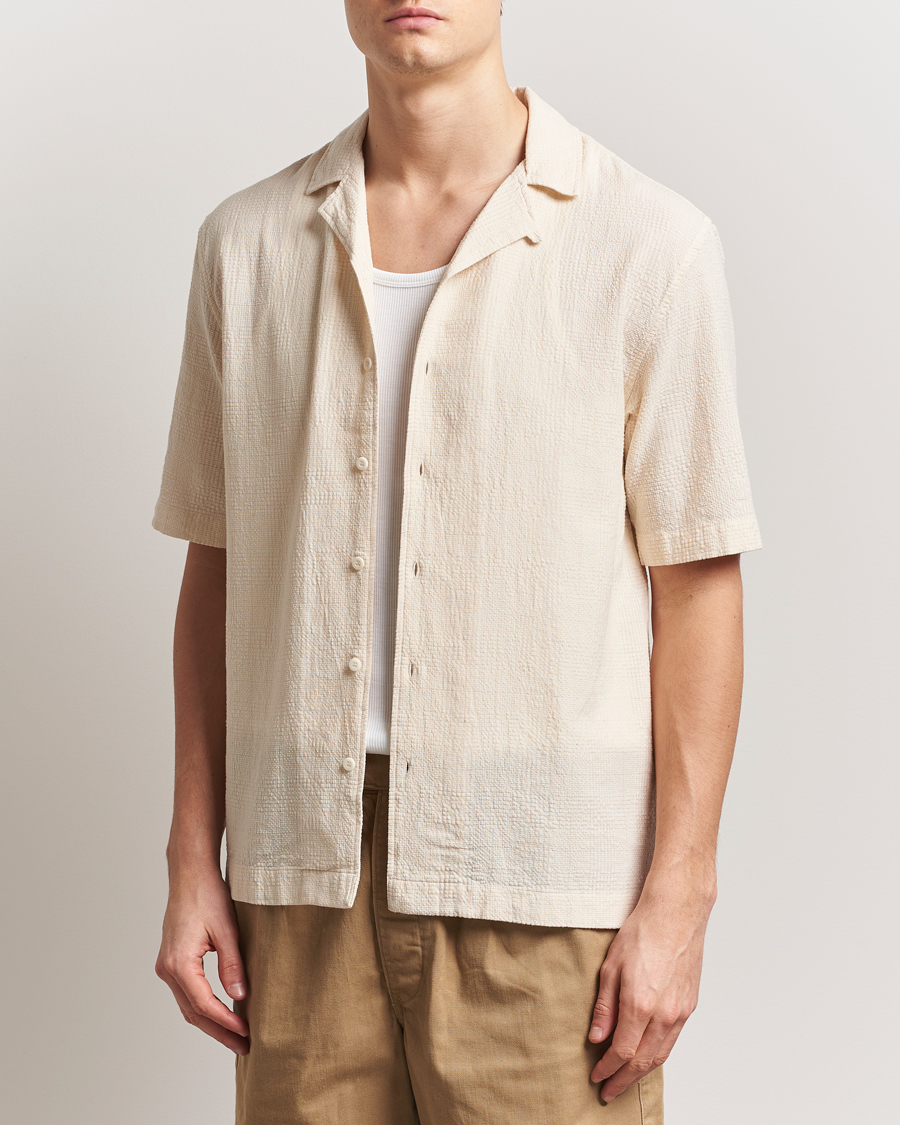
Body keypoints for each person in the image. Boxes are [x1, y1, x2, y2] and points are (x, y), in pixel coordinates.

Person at [151, 3, 762, 1122]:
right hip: (300, 875)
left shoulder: (648, 243)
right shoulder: (245, 246)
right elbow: (218, 565)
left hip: (543, 880)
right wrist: (194, 855)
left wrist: (684, 889)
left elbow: (696, 588)